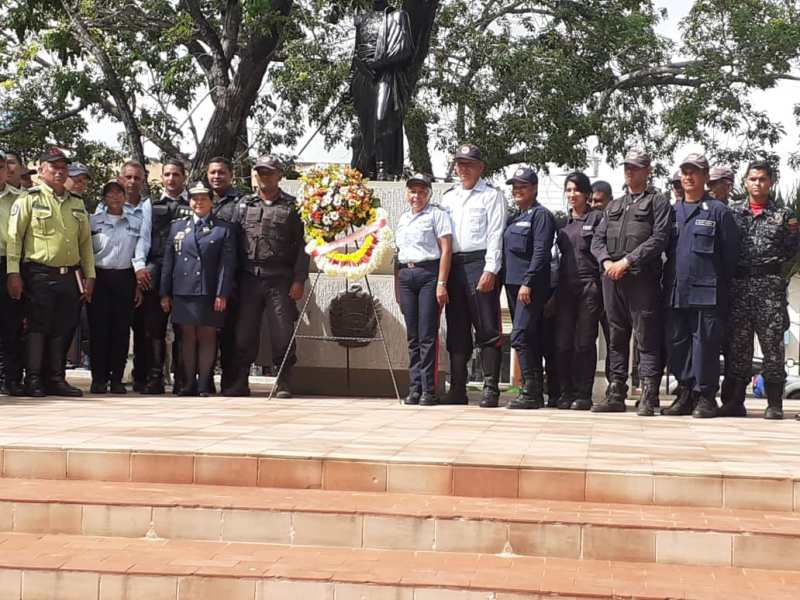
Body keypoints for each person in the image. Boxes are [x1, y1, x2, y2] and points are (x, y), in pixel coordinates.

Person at [6, 147, 96, 397]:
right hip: (39, 273)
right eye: (54, 167)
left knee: (64, 326)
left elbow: (85, 244)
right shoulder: (29, 199)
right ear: (41, 170)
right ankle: (33, 378)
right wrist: (13, 272)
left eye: (63, 167)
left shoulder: (76, 203)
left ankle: (56, 378)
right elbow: (15, 239)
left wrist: (90, 276)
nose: (59, 171)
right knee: (38, 327)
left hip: (70, 274)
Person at [591, 149, 672, 415]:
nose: (630, 171)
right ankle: (616, 391)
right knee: (615, 336)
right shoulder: (613, 205)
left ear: (647, 171)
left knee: (645, 337)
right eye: (627, 167)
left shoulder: (658, 202)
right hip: (612, 278)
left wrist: (627, 262)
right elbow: (597, 240)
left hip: (640, 277)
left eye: (636, 167)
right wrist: (606, 263)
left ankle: (649, 393)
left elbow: (659, 238)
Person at [661, 154, 739, 418]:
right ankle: (684, 392)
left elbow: (730, 258)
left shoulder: (719, 211)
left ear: (705, 177)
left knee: (705, 344)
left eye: (694, 172)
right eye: (684, 172)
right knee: (677, 343)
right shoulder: (672, 212)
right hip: (676, 291)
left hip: (708, 293)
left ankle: (705, 396)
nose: (688, 177)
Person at [225, 155, 309, 398]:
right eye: (260, 172)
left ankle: (283, 380)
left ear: (279, 175)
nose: (264, 177)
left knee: (282, 331)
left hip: (279, 278)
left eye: (269, 172)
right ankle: (240, 380)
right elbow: (232, 243)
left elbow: (303, 246)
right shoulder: (243, 205)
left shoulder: (293, 206)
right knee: (244, 332)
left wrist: (298, 279)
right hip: (249, 278)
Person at [724, 160, 799, 419]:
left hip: (769, 289)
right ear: (745, 182)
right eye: (753, 179)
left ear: (771, 182)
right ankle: (735, 401)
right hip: (739, 287)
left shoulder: (783, 215)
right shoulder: (732, 213)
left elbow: (791, 250)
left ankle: (775, 403)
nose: (757, 183)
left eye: (763, 179)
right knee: (739, 347)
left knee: (772, 347)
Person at [441, 144, 507, 407]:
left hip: (479, 262)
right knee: (456, 327)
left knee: (487, 327)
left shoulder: (491, 196)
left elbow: (495, 234)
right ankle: (457, 387)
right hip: (454, 264)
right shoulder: (448, 197)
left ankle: (491, 388)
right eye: (460, 164)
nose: (463, 169)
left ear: (481, 168)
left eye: (469, 164)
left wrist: (490, 268)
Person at [160, 181, 235, 397]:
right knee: (186, 337)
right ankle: (187, 383)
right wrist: (165, 292)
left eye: (203, 198)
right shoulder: (177, 226)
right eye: (194, 198)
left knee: (207, 336)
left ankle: (204, 383)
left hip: (209, 291)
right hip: (183, 290)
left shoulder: (222, 229)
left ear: (212, 202)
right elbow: (169, 262)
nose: (198, 202)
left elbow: (226, 265)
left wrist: (222, 293)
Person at [394, 173, 452, 406]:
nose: (415, 196)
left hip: (428, 274)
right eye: (412, 191)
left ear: (428, 193)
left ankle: (429, 389)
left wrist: (441, 282)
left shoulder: (437, 215)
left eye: (420, 192)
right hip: (407, 275)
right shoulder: (403, 218)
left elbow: (446, 250)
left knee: (427, 334)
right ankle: (415, 387)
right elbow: (398, 254)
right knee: (413, 335)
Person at [503, 166, 555, 409]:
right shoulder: (515, 218)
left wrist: (528, 281)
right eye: (515, 186)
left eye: (522, 186)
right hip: (512, 286)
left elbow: (541, 252)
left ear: (534, 188)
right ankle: (534, 392)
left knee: (520, 335)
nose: (517, 190)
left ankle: (531, 389)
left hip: (530, 287)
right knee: (529, 337)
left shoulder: (540, 215)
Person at [135, 158, 188, 394]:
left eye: (176, 174)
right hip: (156, 268)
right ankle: (154, 378)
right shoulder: (150, 205)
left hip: (185, 271)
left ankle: (182, 379)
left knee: (182, 329)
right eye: (167, 174)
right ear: (162, 178)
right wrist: (139, 266)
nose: (171, 179)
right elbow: (143, 239)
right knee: (153, 328)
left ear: (184, 177)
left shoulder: (194, 203)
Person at [88, 180, 143, 394]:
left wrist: (138, 285)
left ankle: (117, 378)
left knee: (121, 331)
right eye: (110, 194)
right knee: (99, 330)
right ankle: (98, 378)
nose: (115, 198)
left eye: (119, 193)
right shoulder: (93, 222)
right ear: (104, 198)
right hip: (100, 277)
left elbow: (139, 254)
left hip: (125, 278)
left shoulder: (135, 222)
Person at [554, 172, 603, 410]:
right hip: (565, 288)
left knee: (584, 342)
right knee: (563, 343)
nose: (572, 195)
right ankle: (566, 392)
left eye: (577, 190)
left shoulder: (598, 219)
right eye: (569, 190)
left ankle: (583, 393)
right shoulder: (561, 223)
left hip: (589, 286)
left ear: (587, 194)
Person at [349, 0, 414, 179]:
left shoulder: (398, 16)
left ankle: (383, 169)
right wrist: (350, 82)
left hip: (385, 76)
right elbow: (356, 53)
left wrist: (378, 63)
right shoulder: (361, 19)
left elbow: (405, 49)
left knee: (381, 118)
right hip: (363, 78)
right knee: (366, 126)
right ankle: (367, 168)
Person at [105, 161, 153, 392]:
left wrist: (139, 273)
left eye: (137, 178)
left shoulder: (148, 208)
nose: (132, 182)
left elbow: (144, 244)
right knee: (112, 328)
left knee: (143, 329)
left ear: (143, 181)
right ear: (120, 179)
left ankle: (141, 377)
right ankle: (108, 375)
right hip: (113, 276)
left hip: (142, 275)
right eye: (128, 177)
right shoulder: (102, 210)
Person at [206, 156, 243, 392]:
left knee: (231, 332)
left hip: (233, 275)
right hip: (204, 277)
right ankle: (203, 380)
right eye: (213, 173)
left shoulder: (241, 201)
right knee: (204, 331)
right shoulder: (199, 199)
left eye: (221, 172)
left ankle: (232, 382)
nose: (217, 177)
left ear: (230, 175)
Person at [0, 151, 24, 395]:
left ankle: (11, 378)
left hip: (9, 263)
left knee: (11, 323)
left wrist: (14, 272)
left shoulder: (20, 198)